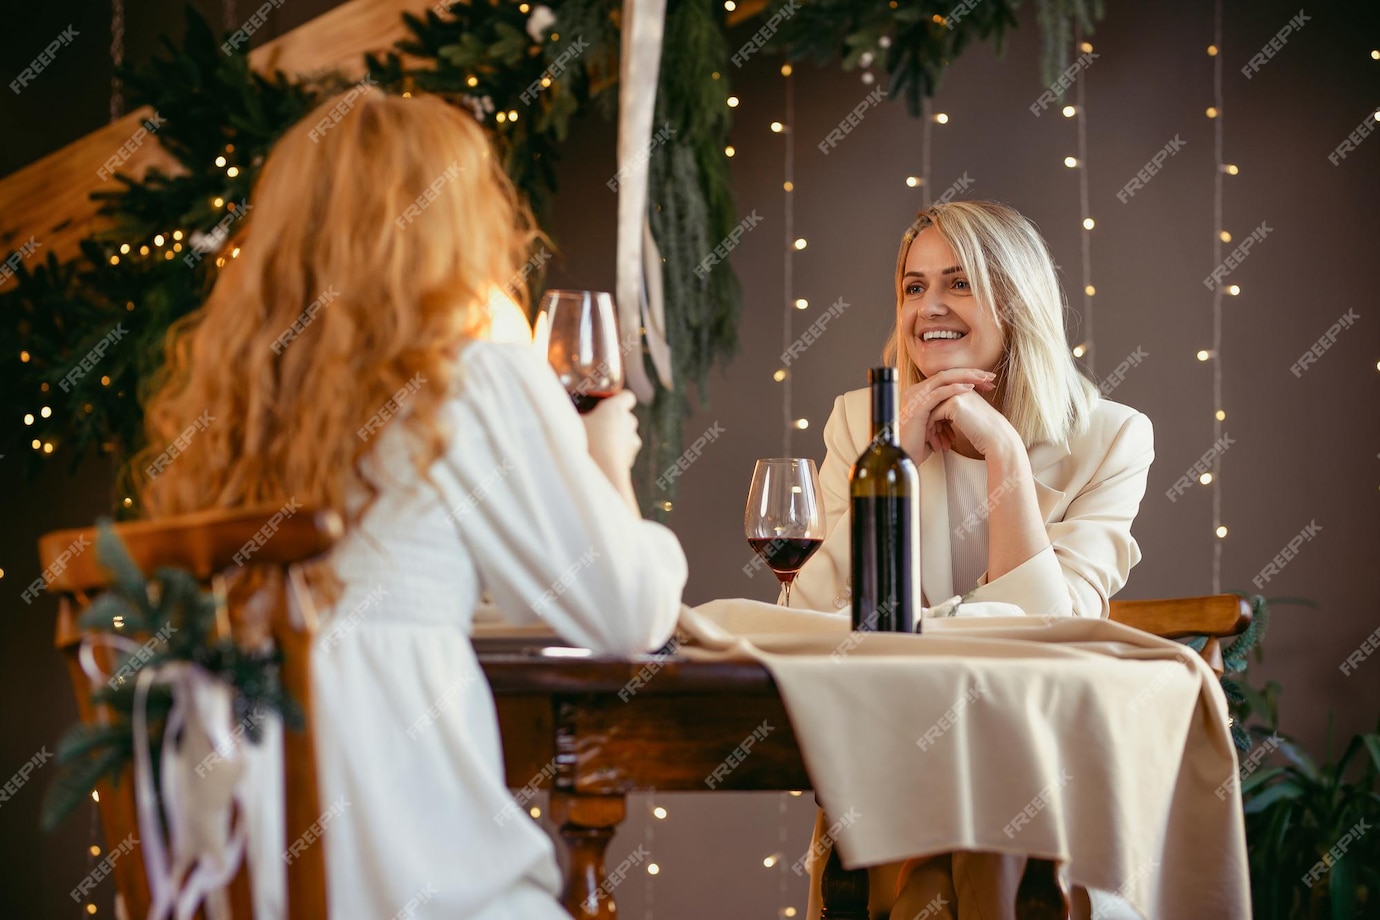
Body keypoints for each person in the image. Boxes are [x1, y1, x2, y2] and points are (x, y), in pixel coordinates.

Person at [137, 88, 686, 920]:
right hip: (409, 874)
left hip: (244, 881)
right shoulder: (469, 379)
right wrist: (606, 461)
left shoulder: (236, 404)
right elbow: (628, 613)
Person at [790, 201, 1155, 920]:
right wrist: (889, 464)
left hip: (1043, 767)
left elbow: (1053, 634)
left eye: (958, 283)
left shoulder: (1112, 437)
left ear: (1015, 300)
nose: (930, 308)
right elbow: (808, 616)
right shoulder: (860, 422)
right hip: (892, 748)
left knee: (965, 860)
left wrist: (1006, 457)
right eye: (913, 287)